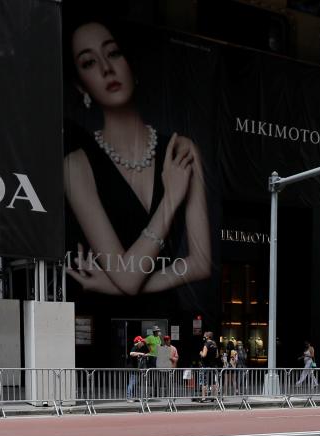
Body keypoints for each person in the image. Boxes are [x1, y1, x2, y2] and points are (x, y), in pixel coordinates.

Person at [64, 17, 212, 296]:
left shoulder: (183, 150)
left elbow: (201, 263)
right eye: (89, 62)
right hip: (101, 322)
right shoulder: (76, 165)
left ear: (130, 62)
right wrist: (170, 199)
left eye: (113, 53)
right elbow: (127, 278)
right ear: (81, 86)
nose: (107, 69)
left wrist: (115, 286)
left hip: (166, 321)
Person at [198, 331, 220, 401]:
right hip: (213, 366)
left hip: (206, 365)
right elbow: (217, 355)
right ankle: (213, 397)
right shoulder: (214, 344)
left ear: (207, 337)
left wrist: (201, 353)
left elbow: (204, 355)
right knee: (213, 382)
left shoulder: (206, 344)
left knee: (204, 382)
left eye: (205, 336)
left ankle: (203, 397)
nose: (204, 337)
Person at [127, 335, 149, 400]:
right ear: (138, 341)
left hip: (136, 368)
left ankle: (133, 397)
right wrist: (141, 353)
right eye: (141, 342)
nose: (142, 343)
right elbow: (131, 353)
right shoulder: (135, 347)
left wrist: (144, 355)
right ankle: (129, 397)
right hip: (133, 368)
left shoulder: (139, 348)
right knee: (132, 382)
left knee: (135, 383)